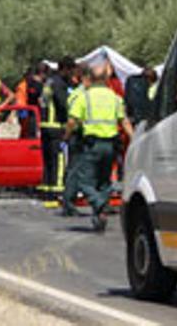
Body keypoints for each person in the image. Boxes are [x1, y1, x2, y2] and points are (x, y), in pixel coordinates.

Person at [63, 65, 133, 231]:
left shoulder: (84, 97)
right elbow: (124, 121)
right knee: (104, 181)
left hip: (91, 145)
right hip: (110, 145)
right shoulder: (114, 98)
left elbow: (72, 121)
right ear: (106, 79)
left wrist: (66, 135)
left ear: (91, 79)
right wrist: (135, 138)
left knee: (84, 181)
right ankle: (99, 214)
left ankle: (99, 203)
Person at [39, 57, 74, 192]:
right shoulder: (59, 83)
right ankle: (58, 189)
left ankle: (47, 187)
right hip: (56, 125)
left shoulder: (49, 81)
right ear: (65, 69)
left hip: (45, 125)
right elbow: (63, 104)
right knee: (58, 160)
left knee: (48, 160)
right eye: (71, 71)